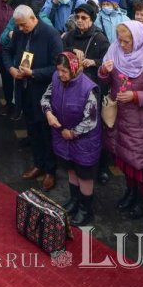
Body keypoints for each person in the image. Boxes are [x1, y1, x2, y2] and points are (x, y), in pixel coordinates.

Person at [98, 20, 143, 220]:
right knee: (124, 159)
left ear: (139, 40)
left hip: (141, 123)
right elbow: (107, 81)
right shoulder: (115, 51)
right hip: (120, 117)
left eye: (127, 42)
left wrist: (135, 96)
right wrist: (104, 72)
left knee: (140, 164)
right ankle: (130, 192)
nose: (122, 45)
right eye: (120, 40)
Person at [42, 52, 103, 226]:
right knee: (70, 168)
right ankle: (74, 200)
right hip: (63, 136)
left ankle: (86, 209)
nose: (60, 74)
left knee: (84, 175)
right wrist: (48, 113)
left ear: (74, 69)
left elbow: (91, 120)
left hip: (84, 140)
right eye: (58, 70)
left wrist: (73, 132)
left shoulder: (88, 88)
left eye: (64, 71)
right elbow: (45, 97)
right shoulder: (56, 79)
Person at [9, 5, 62, 191]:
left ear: (33, 18)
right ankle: (38, 164)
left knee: (46, 133)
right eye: (19, 26)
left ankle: (50, 170)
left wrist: (34, 73)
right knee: (32, 130)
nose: (21, 29)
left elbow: (58, 67)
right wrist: (11, 69)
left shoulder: (51, 35)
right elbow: (7, 52)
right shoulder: (18, 32)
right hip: (24, 91)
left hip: (43, 92)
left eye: (24, 25)